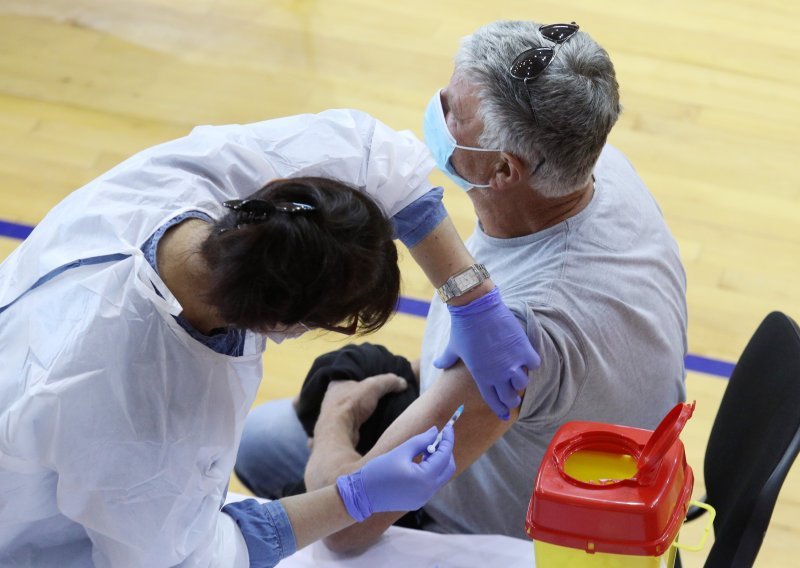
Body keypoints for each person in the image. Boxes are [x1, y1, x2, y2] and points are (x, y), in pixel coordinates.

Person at [0, 108, 540, 567]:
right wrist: (353, 498)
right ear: (282, 323)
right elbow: (190, 557)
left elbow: (368, 152)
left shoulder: (189, 187)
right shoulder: (135, 408)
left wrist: (474, 300)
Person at [235, 20, 688, 550]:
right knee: (265, 439)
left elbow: (349, 528)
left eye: (452, 111)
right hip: (567, 457)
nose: (437, 112)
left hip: (487, 536)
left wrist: (337, 417)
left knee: (264, 454)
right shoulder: (602, 169)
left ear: (502, 170)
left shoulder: (522, 338)